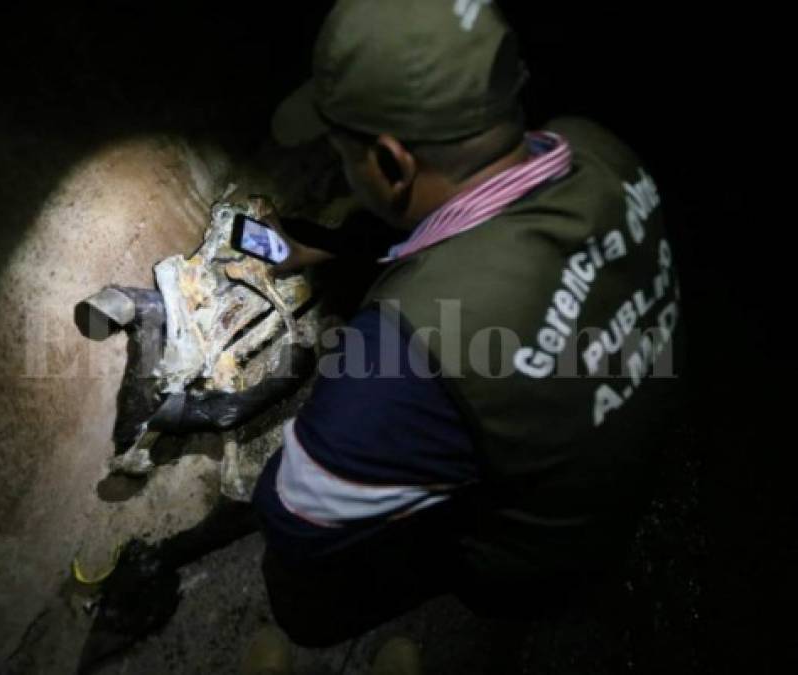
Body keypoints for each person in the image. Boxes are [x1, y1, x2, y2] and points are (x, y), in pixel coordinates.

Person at [145, 0, 683, 659]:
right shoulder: (600, 149)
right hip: (611, 466)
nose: (341, 167)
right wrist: (335, 249)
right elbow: (476, 218)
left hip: (530, 558)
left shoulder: (402, 354)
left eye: (343, 154)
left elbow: (293, 514)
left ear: (392, 164)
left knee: (296, 586)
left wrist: (321, 433)